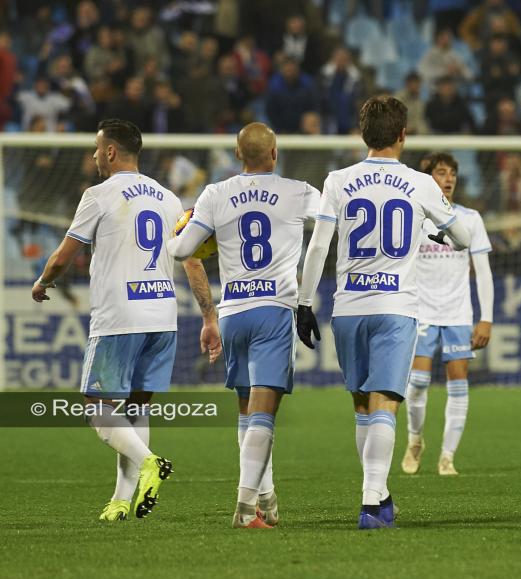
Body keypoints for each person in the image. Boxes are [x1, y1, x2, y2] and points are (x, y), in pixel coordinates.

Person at [31, 119, 220, 521]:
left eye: (97, 148)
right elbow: (192, 264)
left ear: (112, 151)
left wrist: (43, 280)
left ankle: (150, 462)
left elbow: (65, 255)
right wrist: (208, 316)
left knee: (97, 407)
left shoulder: (98, 196)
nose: (94, 155)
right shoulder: (169, 198)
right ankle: (120, 500)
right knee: (137, 408)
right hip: (163, 317)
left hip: (120, 316)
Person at [296, 97, 471, 529]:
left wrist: (303, 303)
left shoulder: (337, 180)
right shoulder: (421, 183)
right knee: (385, 405)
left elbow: (319, 246)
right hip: (396, 308)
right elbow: (464, 236)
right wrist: (439, 229)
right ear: (403, 135)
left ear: (362, 135)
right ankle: (371, 504)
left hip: (349, 307)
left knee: (362, 406)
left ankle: (380, 494)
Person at [167, 123, 320, 529]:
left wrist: (176, 233)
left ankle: (266, 498)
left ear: (237, 155)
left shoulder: (215, 193)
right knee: (264, 415)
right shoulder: (298, 190)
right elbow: (333, 217)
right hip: (274, 309)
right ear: (275, 153)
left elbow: (182, 250)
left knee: (244, 411)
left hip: (233, 310)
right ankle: (245, 507)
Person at [400, 152, 494, 476]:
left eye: (453, 172)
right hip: (422, 311)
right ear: (429, 179)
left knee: (458, 384)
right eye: (442, 172)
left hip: (457, 314)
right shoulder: (415, 217)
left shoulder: (470, 219)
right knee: (418, 383)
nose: (450, 178)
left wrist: (486, 318)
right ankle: (415, 439)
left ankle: (447, 456)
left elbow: (483, 272)